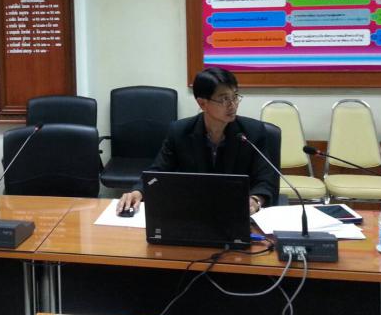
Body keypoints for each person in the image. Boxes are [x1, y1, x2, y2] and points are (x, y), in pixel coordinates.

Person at [117, 67, 277, 215]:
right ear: (202, 103)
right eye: (224, 99)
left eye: (235, 97)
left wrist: (255, 200)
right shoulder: (180, 132)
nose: (232, 105)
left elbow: (266, 179)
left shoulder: (252, 133)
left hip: (237, 212)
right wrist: (139, 191)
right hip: (194, 211)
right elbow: (157, 172)